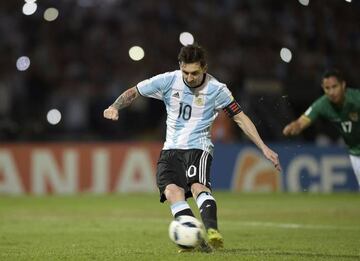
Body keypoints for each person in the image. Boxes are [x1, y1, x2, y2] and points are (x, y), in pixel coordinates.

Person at [104, 44, 281, 252]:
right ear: (180, 66)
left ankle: (212, 231)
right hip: (170, 149)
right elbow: (134, 92)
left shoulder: (218, 89)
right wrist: (114, 106)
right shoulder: (168, 80)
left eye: (195, 73)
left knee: (198, 187)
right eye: (185, 72)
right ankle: (198, 241)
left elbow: (241, 118)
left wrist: (263, 147)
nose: (189, 78)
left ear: (204, 68)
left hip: (198, 147)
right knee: (172, 193)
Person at [283, 69, 360, 190]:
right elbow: (302, 121)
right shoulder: (323, 104)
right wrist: (294, 127)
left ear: (343, 85)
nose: (331, 92)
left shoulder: (356, 98)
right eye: (327, 88)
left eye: (335, 86)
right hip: (355, 153)